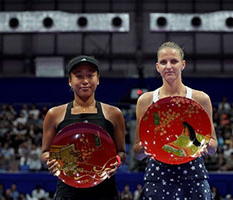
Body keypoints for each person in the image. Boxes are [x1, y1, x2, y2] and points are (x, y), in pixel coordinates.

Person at [133, 41, 217, 200]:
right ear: (157, 67)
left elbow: (213, 148)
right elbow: (137, 153)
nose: (168, 66)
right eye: (163, 62)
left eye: (174, 61)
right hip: (158, 176)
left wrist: (202, 144)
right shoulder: (145, 100)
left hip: (194, 175)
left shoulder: (201, 98)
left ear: (183, 64)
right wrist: (154, 145)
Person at [41, 55, 126, 200]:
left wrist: (116, 162)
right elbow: (45, 153)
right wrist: (51, 161)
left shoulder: (114, 114)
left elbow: (122, 153)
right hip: (68, 192)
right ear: (70, 81)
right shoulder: (54, 114)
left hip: (105, 192)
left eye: (90, 76)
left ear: (98, 79)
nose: (85, 81)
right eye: (78, 76)